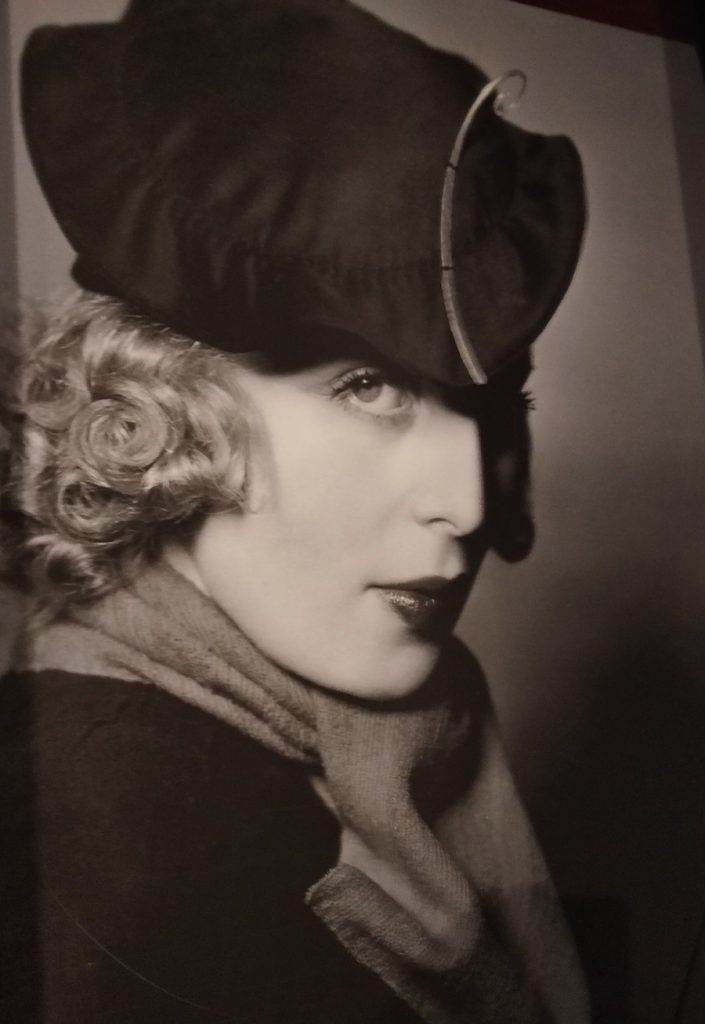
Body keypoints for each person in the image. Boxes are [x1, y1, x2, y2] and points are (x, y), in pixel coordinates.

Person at [1, 1, 588, 1021]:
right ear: (158, 411)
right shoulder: (112, 827)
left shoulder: (404, 749)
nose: (468, 504)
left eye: (495, 405)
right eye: (367, 384)